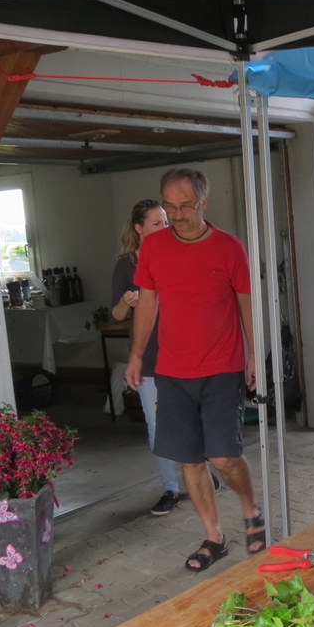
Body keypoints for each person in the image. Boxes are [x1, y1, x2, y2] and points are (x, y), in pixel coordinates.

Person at [125, 167, 265, 572]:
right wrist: (136, 354)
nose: (178, 214)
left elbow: (246, 303)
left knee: (223, 455)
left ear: (204, 202)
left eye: (186, 205)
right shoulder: (154, 248)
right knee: (189, 459)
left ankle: (250, 507)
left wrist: (255, 355)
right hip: (172, 370)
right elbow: (148, 302)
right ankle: (213, 536)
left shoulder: (228, 247)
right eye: (170, 206)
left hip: (221, 366)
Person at [110, 199, 220, 516]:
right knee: (157, 425)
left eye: (166, 222)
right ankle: (170, 488)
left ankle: (198, 471)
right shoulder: (126, 265)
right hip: (148, 358)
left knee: (191, 418)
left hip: (183, 353)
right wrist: (127, 302)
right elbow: (116, 315)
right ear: (139, 228)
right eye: (157, 223)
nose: (165, 227)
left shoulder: (179, 254)